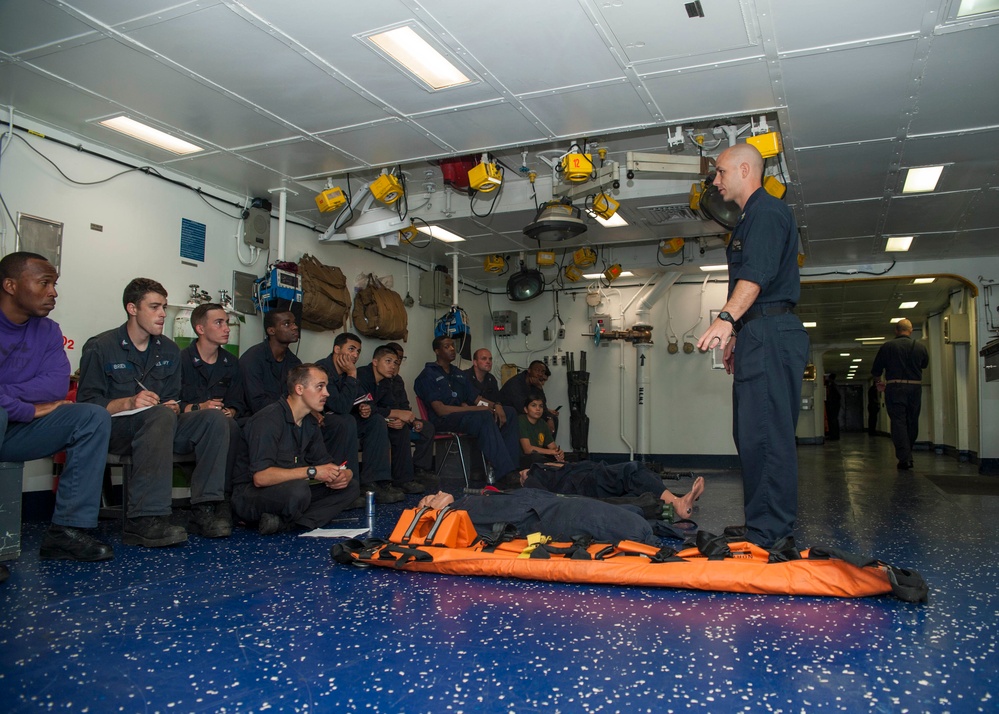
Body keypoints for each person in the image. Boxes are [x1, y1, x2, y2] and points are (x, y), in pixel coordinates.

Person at [695, 142, 809, 549]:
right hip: (759, 333)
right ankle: (761, 522)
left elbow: (756, 275)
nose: (716, 179)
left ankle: (772, 535)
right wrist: (738, 335)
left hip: (773, 333)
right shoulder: (750, 218)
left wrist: (726, 320)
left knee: (767, 435)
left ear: (746, 170)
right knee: (751, 435)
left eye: (721, 172)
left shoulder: (766, 211)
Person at [79, 278, 230, 547]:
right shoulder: (101, 347)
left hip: (162, 425)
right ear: (132, 308)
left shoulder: (170, 350)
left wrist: (172, 406)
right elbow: (87, 405)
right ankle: (144, 518)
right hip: (116, 430)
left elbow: (174, 400)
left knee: (213, 419)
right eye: (155, 307)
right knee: (159, 416)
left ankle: (205, 508)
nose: (162, 314)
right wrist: (128, 403)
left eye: (164, 307)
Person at [0, 252, 113, 573]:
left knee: (92, 416)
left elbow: (54, 386)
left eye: (55, 284)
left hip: (17, 430)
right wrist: (25, 407)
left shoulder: (48, 331)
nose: (54, 292)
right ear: (10, 285)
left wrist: (8, 397)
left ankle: (66, 531)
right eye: (44, 283)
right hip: (12, 418)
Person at [232, 364, 357, 534]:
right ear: (299, 389)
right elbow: (260, 477)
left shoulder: (309, 422)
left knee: (351, 487)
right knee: (299, 490)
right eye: (320, 387)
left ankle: (290, 523)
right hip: (252, 494)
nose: (326, 393)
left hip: (292, 489)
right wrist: (312, 472)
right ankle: (288, 519)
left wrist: (343, 474)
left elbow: (325, 463)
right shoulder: (268, 420)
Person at [414, 336, 520, 482]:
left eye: (453, 345)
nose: (452, 349)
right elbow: (441, 410)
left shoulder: (458, 373)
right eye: (447, 346)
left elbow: (476, 400)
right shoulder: (428, 374)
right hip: (443, 420)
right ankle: (505, 471)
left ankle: (513, 468)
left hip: (464, 417)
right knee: (483, 416)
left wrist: (496, 406)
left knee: (510, 412)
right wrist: (476, 410)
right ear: (437, 351)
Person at [315, 333, 400, 503]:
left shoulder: (347, 371)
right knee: (346, 421)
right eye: (351, 349)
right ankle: (348, 486)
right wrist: (352, 375)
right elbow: (339, 406)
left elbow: (363, 397)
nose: (355, 355)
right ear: (337, 349)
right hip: (322, 421)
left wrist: (365, 407)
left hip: (343, 419)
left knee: (375, 421)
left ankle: (373, 482)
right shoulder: (323, 369)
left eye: (358, 351)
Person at [179, 303, 247, 512]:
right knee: (220, 423)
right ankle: (208, 503)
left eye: (226, 322)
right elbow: (170, 403)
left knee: (232, 425)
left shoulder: (231, 363)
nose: (226, 328)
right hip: (185, 426)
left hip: (221, 426)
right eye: (219, 323)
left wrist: (231, 411)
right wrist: (201, 407)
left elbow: (238, 402)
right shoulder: (180, 360)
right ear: (200, 329)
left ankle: (224, 499)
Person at [357, 345, 433, 494]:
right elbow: (364, 408)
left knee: (400, 428)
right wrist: (394, 414)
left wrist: (400, 419)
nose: (392, 366)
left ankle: (403, 479)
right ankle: (376, 483)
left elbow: (393, 406)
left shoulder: (387, 381)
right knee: (379, 423)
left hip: (377, 419)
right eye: (388, 361)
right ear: (375, 361)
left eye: (395, 363)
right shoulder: (362, 375)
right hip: (359, 420)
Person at [516, 461, 706, 521]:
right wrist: (528, 479)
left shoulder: (541, 468)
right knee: (631, 471)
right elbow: (543, 500)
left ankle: (676, 499)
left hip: (587, 476)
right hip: (585, 482)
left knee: (639, 484)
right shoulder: (533, 478)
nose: (523, 473)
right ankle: (679, 503)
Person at [870, 318, 929, 470]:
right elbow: (924, 364)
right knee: (912, 421)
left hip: (895, 387)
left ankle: (905, 457)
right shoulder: (920, 347)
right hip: (915, 388)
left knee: (898, 422)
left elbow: (876, 370)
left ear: (896, 331)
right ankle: (908, 453)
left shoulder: (888, 347)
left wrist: (878, 382)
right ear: (910, 331)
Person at [384, 342, 437, 483]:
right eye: (394, 359)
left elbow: (405, 406)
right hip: (387, 421)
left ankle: (419, 469)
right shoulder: (379, 379)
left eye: (400, 358)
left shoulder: (398, 381)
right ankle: (399, 476)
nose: (397, 362)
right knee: (400, 431)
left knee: (427, 428)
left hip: (403, 420)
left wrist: (414, 421)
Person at [240, 310, 301, 415]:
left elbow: (299, 395)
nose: (295, 327)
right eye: (287, 324)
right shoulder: (252, 359)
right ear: (271, 331)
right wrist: (293, 409)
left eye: (294, 323)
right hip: (255, 419)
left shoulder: (294, 362)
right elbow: (257, 403)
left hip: (286, 416)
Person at [499, 360, 559, 437]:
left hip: (525, 412)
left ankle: (549, 447)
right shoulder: (515, 383)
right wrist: (543, 414)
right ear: (529, 370)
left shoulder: (535, 383)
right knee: (537, 419)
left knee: (553, 419)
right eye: (537, 370)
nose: (540, 374)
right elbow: (522, 406)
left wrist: (549, 417)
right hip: (511, 413)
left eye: (542, 371)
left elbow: (541, 403)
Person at [464, 347, 518, 429]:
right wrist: (493, 406)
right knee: (486, 414)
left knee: (510, 411)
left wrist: (497, 405)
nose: (488, 362)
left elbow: (497, 399)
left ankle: (506, 441)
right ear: (475, 362)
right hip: (471, 411)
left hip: (488, 409)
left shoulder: (491, 379)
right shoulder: (464, 376)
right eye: (484, 359)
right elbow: (469, 400)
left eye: (490, 359)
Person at [518, 392, 564, 468]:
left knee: (574, 457)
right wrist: (551, 452)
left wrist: (558, 452)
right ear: (526, 409)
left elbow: (552, 446)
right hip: (525, 458)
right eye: (534, 405)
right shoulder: (521, 420)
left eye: (541, 406)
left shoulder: (543, 423)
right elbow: (527, 449)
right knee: (536, 458)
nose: (538, 409)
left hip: (540, 457)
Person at [825, 373, 841, 441]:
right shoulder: (834, 385)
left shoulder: (832, 386)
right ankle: (835, 435)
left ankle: (833, 436)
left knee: (833, 420)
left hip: (833, 405)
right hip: (835, 405)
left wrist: (831, 403)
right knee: (834, 420)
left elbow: (836, 396)